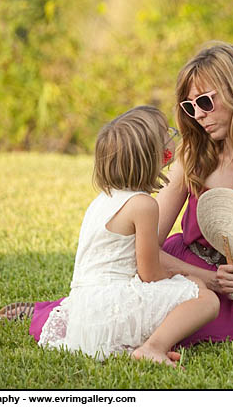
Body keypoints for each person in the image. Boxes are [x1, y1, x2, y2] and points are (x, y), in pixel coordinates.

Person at [0, 41, 233, 345]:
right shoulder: (195, 152)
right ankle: (55, 312)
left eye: (206, 102)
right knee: (130, 325)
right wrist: (202, 277)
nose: (199, 116)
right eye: (190, 108)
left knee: (194, 328)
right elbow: (147, 247)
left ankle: (67, 313)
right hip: (178, 270)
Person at [15, 106, 220, 366]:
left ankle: (134, 344)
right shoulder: (143, 205)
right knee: (205, 298)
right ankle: (153, 348)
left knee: (191, 289)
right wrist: (185, 278)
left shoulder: (102, 201)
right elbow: (150, 274)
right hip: (112, 305)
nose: (173, 137)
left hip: (84, 313)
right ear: (153, 156)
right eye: (166, 134)